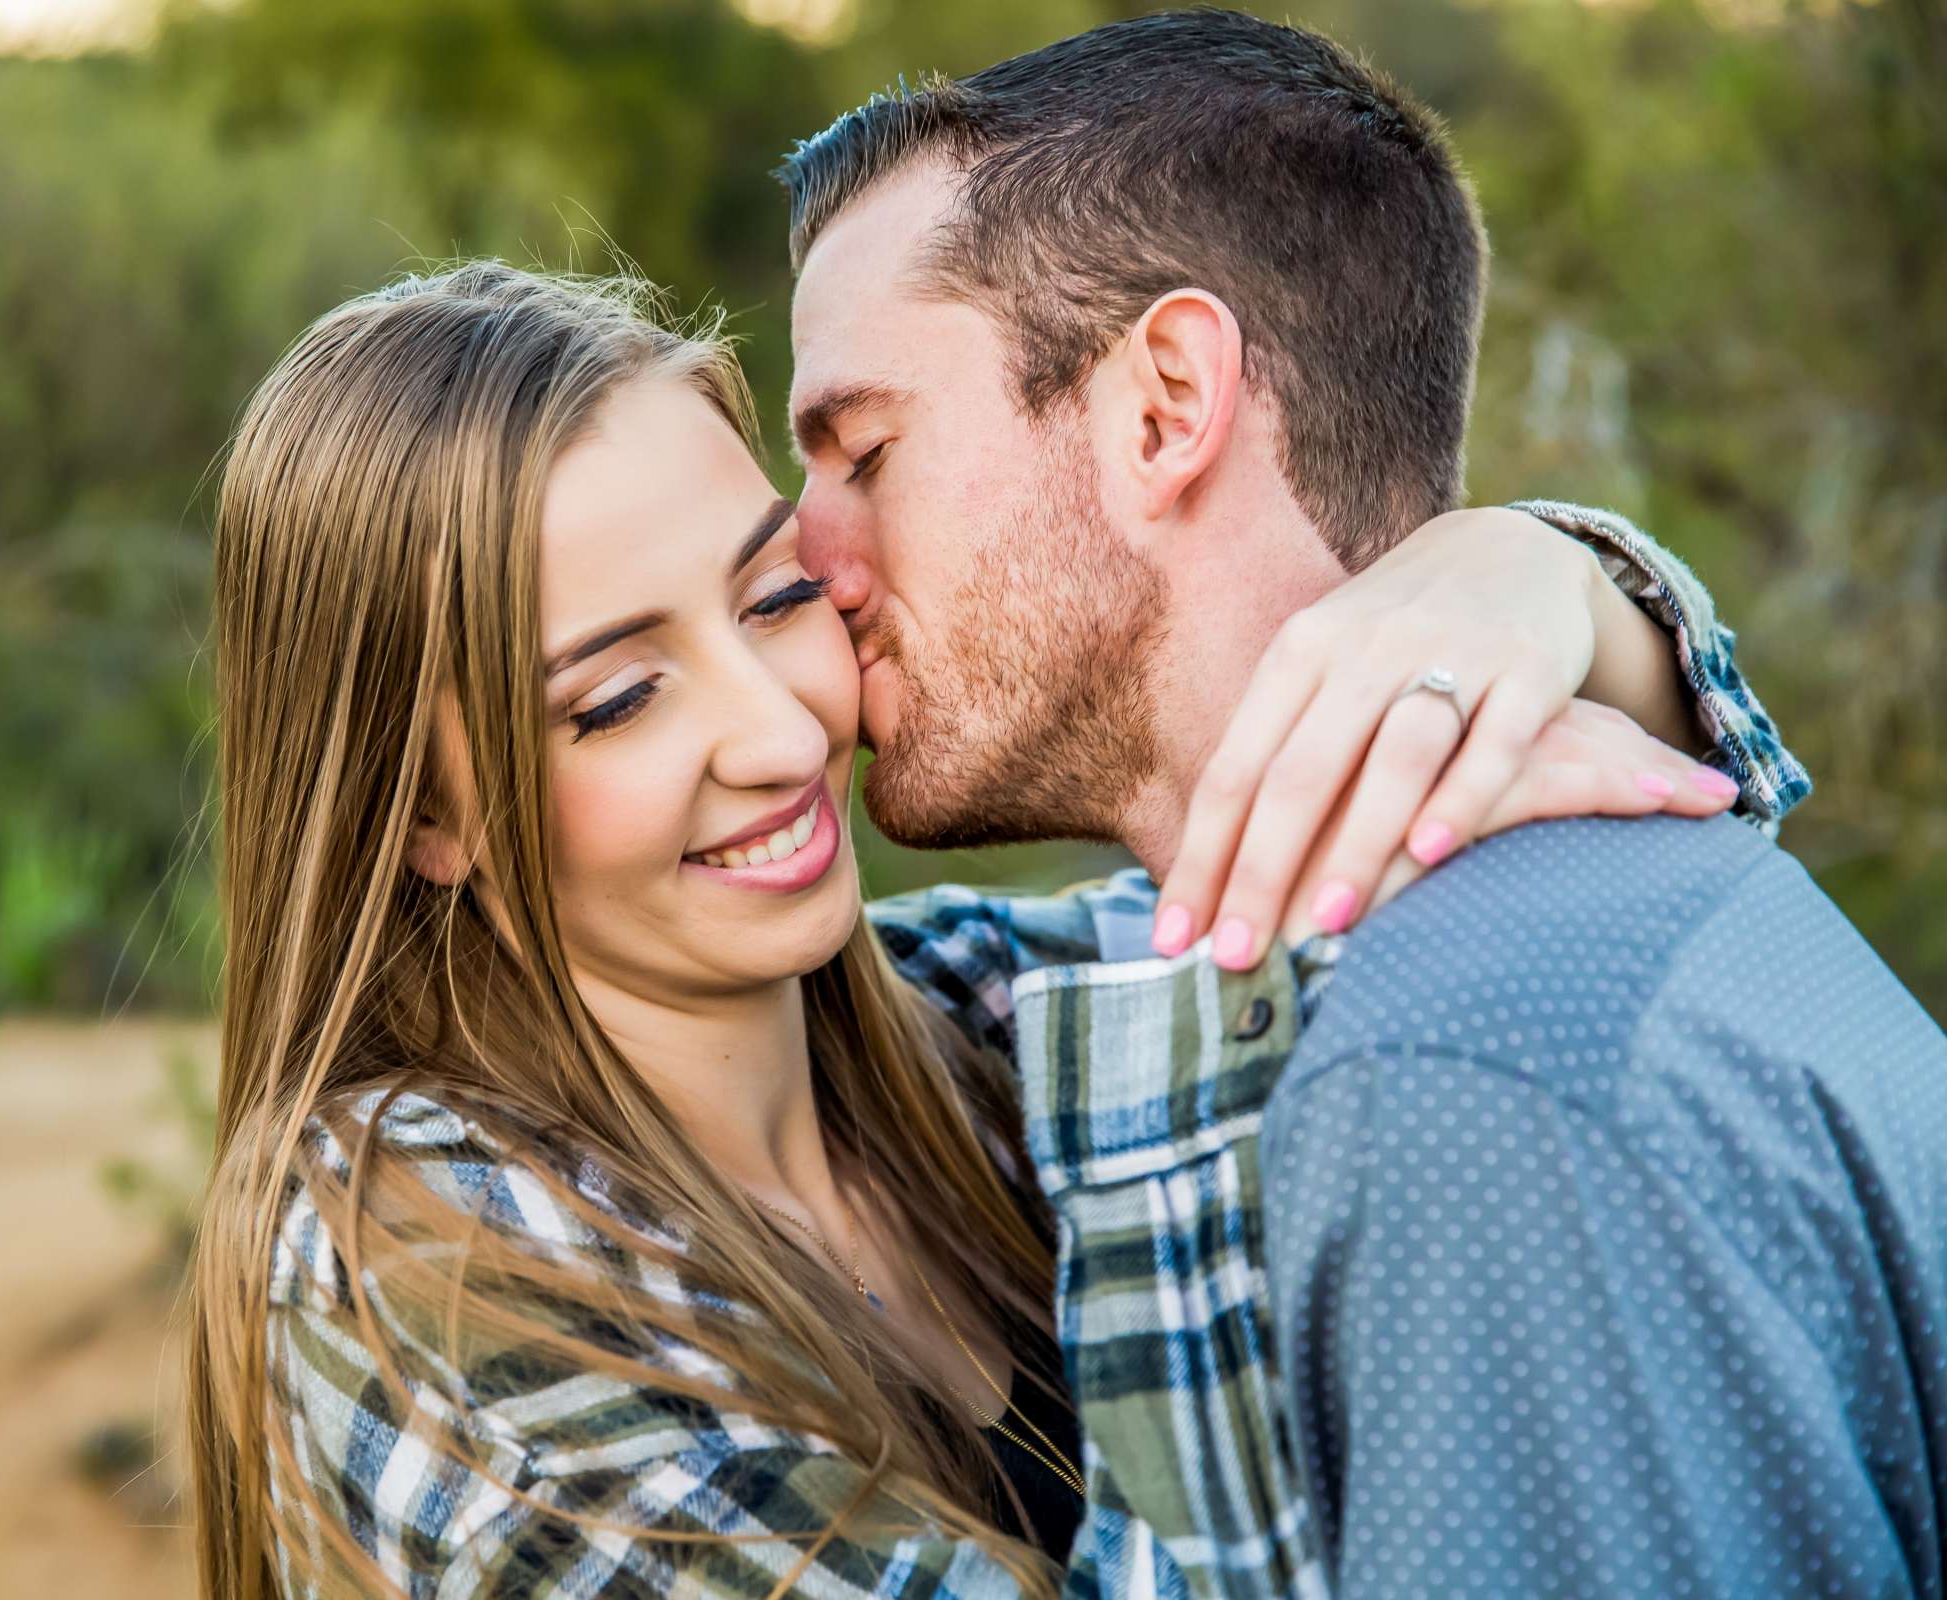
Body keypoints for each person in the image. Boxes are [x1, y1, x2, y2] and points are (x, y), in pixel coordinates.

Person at [183, 256, 1794, 1597]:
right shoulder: (420, 1270)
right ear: (425, 817)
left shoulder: (951, 1017)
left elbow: (1667, 773)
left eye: (773, 601)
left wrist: (1531, 583)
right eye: (614, 699)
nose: (782, 727)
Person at [779, 11, 1944, 1599]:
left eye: (864, 450)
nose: (801, 562)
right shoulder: (1529, 926)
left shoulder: (1454, 1079)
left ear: (1164, 404)